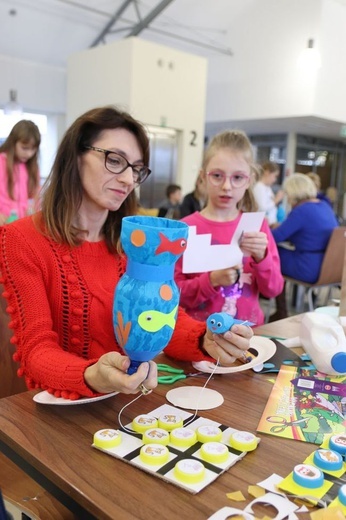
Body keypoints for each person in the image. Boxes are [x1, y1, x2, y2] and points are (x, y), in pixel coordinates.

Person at [0, 106, 253, 400]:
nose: (127, 180)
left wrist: (205, 339)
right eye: (115, 161)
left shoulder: (133, 241)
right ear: (75, 156)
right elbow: (36, 349)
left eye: (136, 169)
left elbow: (159, 316)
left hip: (124, 401)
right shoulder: (22, 239)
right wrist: (92, 374)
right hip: (60, 411)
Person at [174, 130, 284, 325]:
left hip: (248, 336)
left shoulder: (256, 227)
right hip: (198, 338)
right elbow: (173, 294)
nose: (227, 186)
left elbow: (273, 289)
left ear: (248, 181)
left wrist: (262, 257)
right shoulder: (185, 228)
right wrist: (212, 281)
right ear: (203, 177)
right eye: (217, 175)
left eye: (237, 178)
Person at [270, 173, 339, 320]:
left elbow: (275, 237)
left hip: (309, 268)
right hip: (330, 268)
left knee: (271, 255)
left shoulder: (301, 210)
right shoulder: (324, 206)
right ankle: (280, 308)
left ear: (294, 193)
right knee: (280, 253)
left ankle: (280, 311)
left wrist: (268, 228)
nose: (288, 199)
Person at [0, 120, 41, 225]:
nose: (29, 153)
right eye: (24, 148)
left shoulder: (33, 168)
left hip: (22, 225)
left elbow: (36, 196)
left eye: (33, 149)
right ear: (13, 142)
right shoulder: (1, 162)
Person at [253, 161, 284, 227]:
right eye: (274, 176)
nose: (274, 180)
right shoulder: (259, 187)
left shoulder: (267, 188)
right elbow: (262, 207)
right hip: (264, 224)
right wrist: (276, 200)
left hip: (271, 222)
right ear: (267, 173)